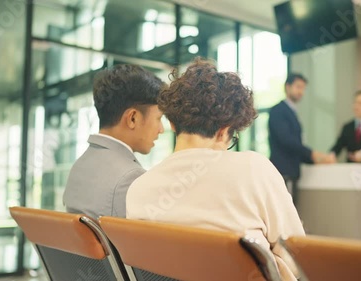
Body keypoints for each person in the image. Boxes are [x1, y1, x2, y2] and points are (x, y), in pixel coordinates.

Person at [126, 58, 305, 281]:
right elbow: (298, 258)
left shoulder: (138, 190)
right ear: (223, 132)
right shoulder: (254, 169)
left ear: (172, 124)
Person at [63, 64, 165, 219]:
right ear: (133, 118)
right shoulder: (130, 178)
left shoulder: (79, 166)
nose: (161, 129)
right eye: (158, 118)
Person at [268, 74, 334, 206]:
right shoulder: (278, 111)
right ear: (288, 87)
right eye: (298, 87)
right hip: (284, 172)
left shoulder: (292, 112)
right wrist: (312, 153)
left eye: (303, 88)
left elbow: (295, 146)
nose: (301, 92)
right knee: (284, 211)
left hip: (292, 172)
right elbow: (286, 140)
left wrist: (313, 159)